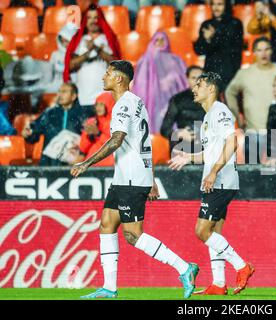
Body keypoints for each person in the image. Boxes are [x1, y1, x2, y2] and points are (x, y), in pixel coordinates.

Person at [70, 60, 199, 299]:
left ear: (119, 78)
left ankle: (184, 268)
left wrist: (86, 162)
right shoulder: (137, 103)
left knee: (132, 234)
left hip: (130, 178)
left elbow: (117, 140)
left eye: (108, 73)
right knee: (107, 224)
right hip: (126, 177)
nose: (104, 77)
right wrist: (151, 178)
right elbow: (145, 144)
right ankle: (109, 288)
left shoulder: (122, 106)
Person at [168, 72, 254, 296]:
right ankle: (218, 283)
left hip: (221, 181)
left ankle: (242, 266)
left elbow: (233, 140)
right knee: (214, 232)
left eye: (199, 85)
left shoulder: (220, 111)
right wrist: (189, 157)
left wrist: (214, 172)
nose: (194, 88)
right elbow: (213, 152)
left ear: (212, 89)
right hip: (219, 179)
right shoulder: (208, 117)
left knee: (202, 230)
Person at [225, 37, 276, 164]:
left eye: (267, 49)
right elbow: (229, 92)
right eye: (259, 50)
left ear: (272, 51)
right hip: (253, 132)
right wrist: (237, 117)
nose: (264, 53)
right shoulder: (245, 74)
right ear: (254, 53)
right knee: (253, 175)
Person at [22, 82, 95, 166]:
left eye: (64, 92)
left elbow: (91, 139)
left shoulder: (84, 114)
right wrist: (28, 134)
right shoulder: (49, 113)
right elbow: (33, 134)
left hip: (74, 165)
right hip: (49, 164)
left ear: (74, 96)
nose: (60, 95)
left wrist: (82, 155)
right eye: (59, 91)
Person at [64, 4, 121, 107]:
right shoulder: (79, 40)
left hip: (105, 96)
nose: (93, 21)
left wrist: (97, 49)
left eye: (96, 18)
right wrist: (87, 54)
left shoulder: (108, 38)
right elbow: (70, 66)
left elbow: (117, 64)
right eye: (89, 18)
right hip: (83, 97)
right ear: (85, 21)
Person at [133, 31, 189, 134]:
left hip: (171, 98)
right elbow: (141, 85)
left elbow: (183, 81)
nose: (159, 43)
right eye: (156, 40)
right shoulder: (145, 60)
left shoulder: (175, 60)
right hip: (153, 100)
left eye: (162, 40)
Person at [194, 0, 243, 88]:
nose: (216, 8)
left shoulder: (235, 24)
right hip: (211, 71)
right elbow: (198, 50)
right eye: (213, 4)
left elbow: (233, 48)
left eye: (220, 4)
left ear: (226, 6)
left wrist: (214, 37)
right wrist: (207, 40)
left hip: (229, 72)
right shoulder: (207, 24)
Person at [160, 65, 205, 153]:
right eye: (193, 78)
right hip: (183, 146)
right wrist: (180, 134)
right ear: (187, 79)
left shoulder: (212, 99)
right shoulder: (177, 99)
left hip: (206, 146)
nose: (197, 81)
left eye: (200, 78)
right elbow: (165, 129)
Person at [79, 91, 116, 166]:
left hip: (109, 163)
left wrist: (98, 134)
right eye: (96, 105)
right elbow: (83, 148)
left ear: (109, 105)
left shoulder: (116, 122)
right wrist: (89, 137)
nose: (98, 107)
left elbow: (115, 145)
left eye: (101, 104)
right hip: (91, 162)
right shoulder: (92, 121)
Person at [47, 23, 78, 93]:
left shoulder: (78, 55)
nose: (64, 44)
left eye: (67, 41)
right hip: (57, 87)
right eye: (62, 41)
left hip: (73, 87)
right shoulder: (55, 55)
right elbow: (50, 73)